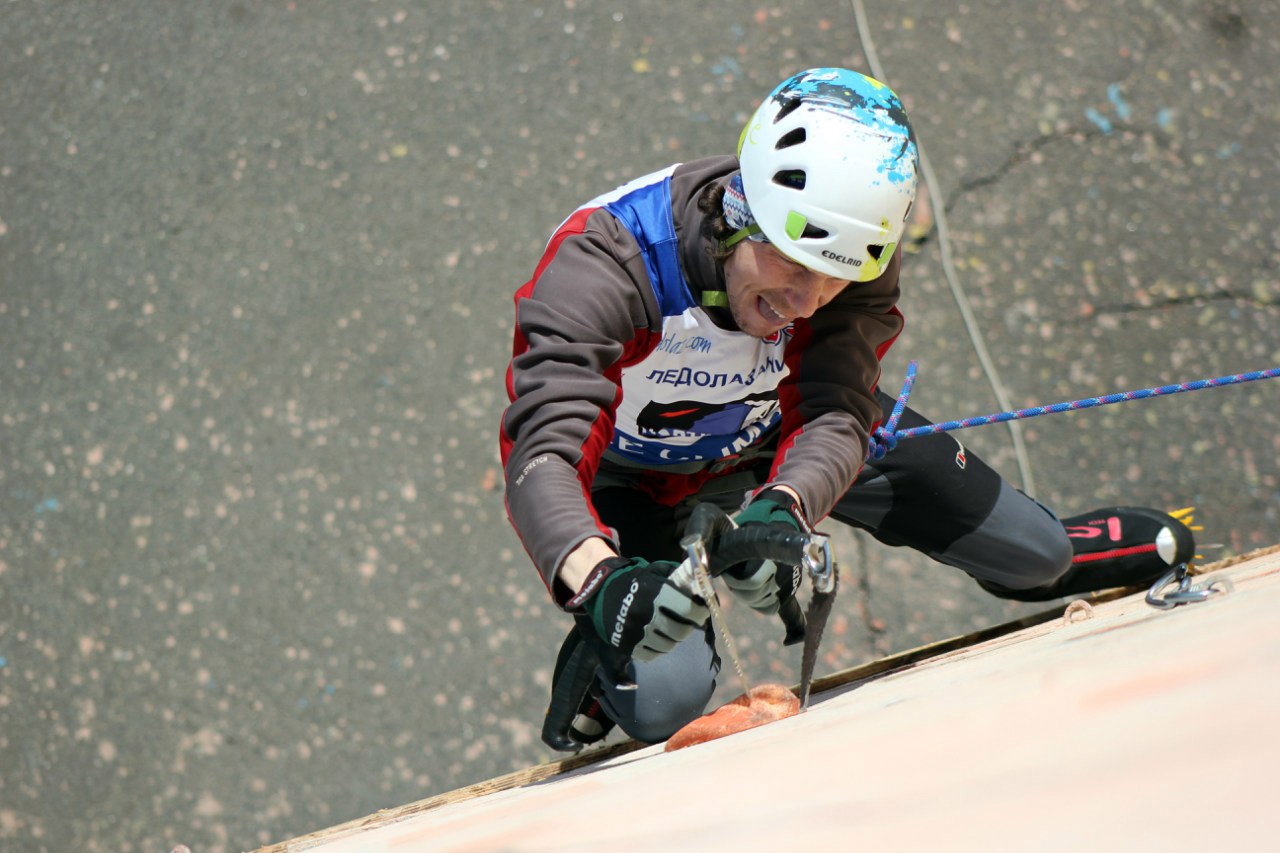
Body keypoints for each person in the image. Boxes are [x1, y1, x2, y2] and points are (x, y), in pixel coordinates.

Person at [499, 68, 1196, 748]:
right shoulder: (609, 260)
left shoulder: (855, 246)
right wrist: (597, 578)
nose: (805, 301)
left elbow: (835, 411)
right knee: (664, 699)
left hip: (775, 434)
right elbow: (543, 454)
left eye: (835, 280)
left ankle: (1059, 551)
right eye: (793, 265)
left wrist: (788, 505)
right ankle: (608, 626)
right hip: (635, 478)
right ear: (742, 209)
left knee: (1035, 555)